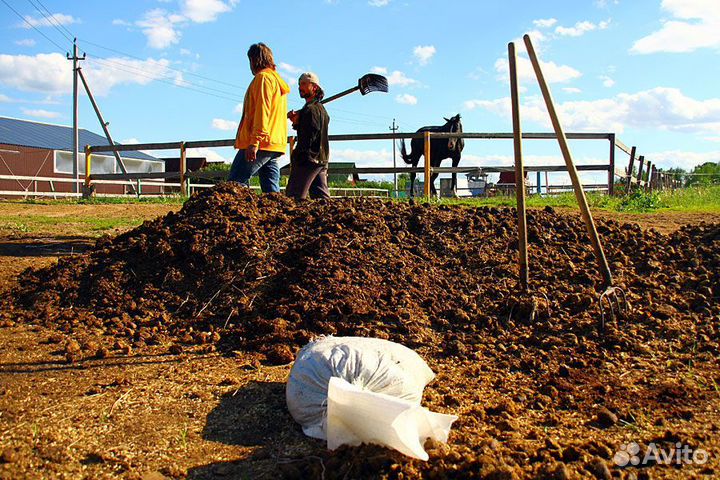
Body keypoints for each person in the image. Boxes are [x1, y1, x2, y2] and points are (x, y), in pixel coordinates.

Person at [228, 43, 290, 193]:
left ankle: (237, 216)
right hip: (275, 143)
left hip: (261, 142)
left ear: (254, 60)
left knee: (235, 184)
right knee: (271, 193)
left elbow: (263, 111)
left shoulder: (263, 79)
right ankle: (278, 216)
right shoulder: (276, 81)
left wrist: (254, 142)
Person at [285, 72, 331, 200]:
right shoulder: (321, 110)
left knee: (293, 197)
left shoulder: (310, 110)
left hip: (308, 159)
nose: (300, 87)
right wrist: (298, 122)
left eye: (304, 84)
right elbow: (313, 130)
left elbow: (310, 135)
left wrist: (298, 155)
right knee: (322, 201)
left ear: (315, 87)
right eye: (299, 84)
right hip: (322, 159)